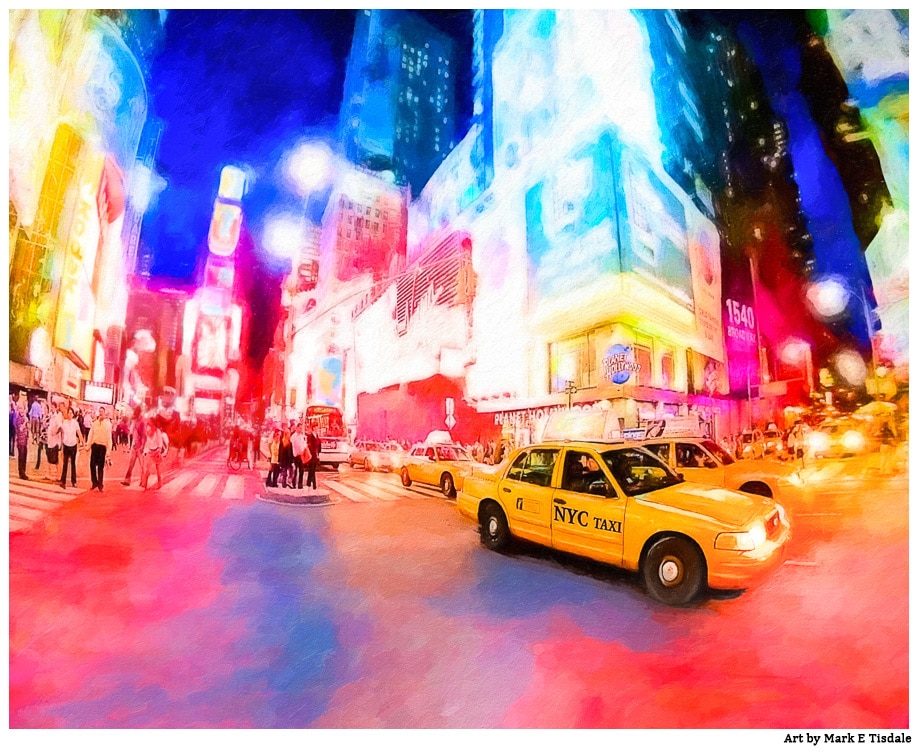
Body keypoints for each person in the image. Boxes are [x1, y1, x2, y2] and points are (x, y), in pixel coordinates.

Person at [87, 408, 114, 491]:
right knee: (92, 465)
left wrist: (108, 451)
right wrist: (88, 446)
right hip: (95, 445)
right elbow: (91, 435)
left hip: (102, 446)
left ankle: (100, 484)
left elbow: (109, 438)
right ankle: (94, 482)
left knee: (100, 466)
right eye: (100, 412)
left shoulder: (107, 424)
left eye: (102, 412)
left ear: (105, 413)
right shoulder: (95, 423)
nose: (101, 413)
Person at [59, 407, 83, 488]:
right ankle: (63, 481)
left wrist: (82, 442)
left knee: (73, 464)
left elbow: (79, 433)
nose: (69, 415)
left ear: (73, 414)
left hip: (73, 445)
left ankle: (74, 481)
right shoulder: (64, 422)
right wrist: (61, 444)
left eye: (71, 413)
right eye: (68, 413)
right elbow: (61, 432)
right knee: (65, 463)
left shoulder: (75, 423)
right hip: (66, 445)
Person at [121, 408, 146, 486]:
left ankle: (143, 481)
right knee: (131, 464)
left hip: (140, 447)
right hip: (134, 446)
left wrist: (142, 446)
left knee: (142, 465)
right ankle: (127, 480)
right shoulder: (135, 421)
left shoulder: (142, 421)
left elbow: (144, 435)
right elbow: (132, 432)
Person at [141, 420, 167, 491]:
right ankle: (145, 484)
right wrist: (145, 451)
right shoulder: (148, 431)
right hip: (150, 451)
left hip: (156, 451)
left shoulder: (157, 431)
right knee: (148, 468)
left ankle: (159, 483)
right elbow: (147, 442)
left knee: (158, 468)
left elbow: (160, 440)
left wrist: (159, 449)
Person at [45, 403, 62, 479]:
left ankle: (58, 475)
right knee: (48, 456)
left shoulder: (57, 416)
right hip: (49, 440)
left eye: (52, 407)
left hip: (55, 441)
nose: (51, 408)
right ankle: (48, 473)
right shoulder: (50, 416)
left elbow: (60, 427)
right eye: (51, 407)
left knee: (56, 459)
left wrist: (55, 432)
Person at [13, 405, 30, 480]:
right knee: (21, 457)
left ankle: (24, 472)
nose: (21, 410)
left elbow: (28, 428)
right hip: (20, 441)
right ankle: (21, 473)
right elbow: (20, 429)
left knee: (24, 457)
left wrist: (27, 423)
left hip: (25, 440)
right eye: (20, 409)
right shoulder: (18, 418)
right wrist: (25, 422)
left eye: (22, 408)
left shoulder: (24, 417)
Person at [291, 422, 307, 489]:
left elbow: (303, 445)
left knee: (301, 470)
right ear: (297, 428)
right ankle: (294, 483)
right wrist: (295, 454)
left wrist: (303, 450)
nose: (300, 430)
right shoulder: (293, 437)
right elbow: (292, 447)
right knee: (295, 470)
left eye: (301, 428)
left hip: (301, 455)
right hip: (296, 456)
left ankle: (300, 484)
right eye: (299, 428)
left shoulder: (301, 436)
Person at [305, 425, 321, 490]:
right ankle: (313, 485)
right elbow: (309, 446)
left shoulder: (317, 436)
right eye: (316, 427)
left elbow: (318, 446)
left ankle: (309, 483)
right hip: (311, 455)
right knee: (312, 469)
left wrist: (318, 453)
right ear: (313, 428)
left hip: (316, 455)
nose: (317, 429)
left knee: (312, 470)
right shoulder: (310, 436)